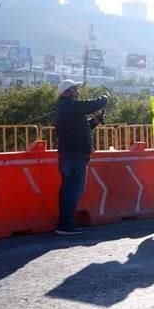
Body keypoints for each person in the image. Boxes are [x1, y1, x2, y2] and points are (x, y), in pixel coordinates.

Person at [53, 79, 108, 236]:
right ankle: (66, 224)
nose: (77, 92)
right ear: (67, 92)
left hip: (70, 154)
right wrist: (104, 98)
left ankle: (66, 222)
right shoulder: (68, 105)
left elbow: (82, 128)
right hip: (74, 155)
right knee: (73, 190)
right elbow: (91, 105)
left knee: (69, 189)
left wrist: (95, 121)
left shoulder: (68, 108)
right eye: (75, 89)